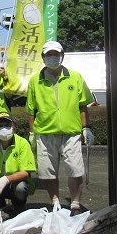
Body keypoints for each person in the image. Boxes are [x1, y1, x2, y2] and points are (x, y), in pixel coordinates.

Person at [26, 41, 95, 213]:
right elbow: (30, 110)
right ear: (43, 57)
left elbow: (83, 105)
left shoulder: (75, 77)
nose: (52, 58)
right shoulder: (35, 81)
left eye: (55, 54)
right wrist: (32, 132)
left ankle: (75, 203)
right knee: (48, 172)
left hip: (71, 131)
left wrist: (87, 128)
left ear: (62, 55)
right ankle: (55, 201)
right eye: (48, 54)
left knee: (75, 169)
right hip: (45, 132)